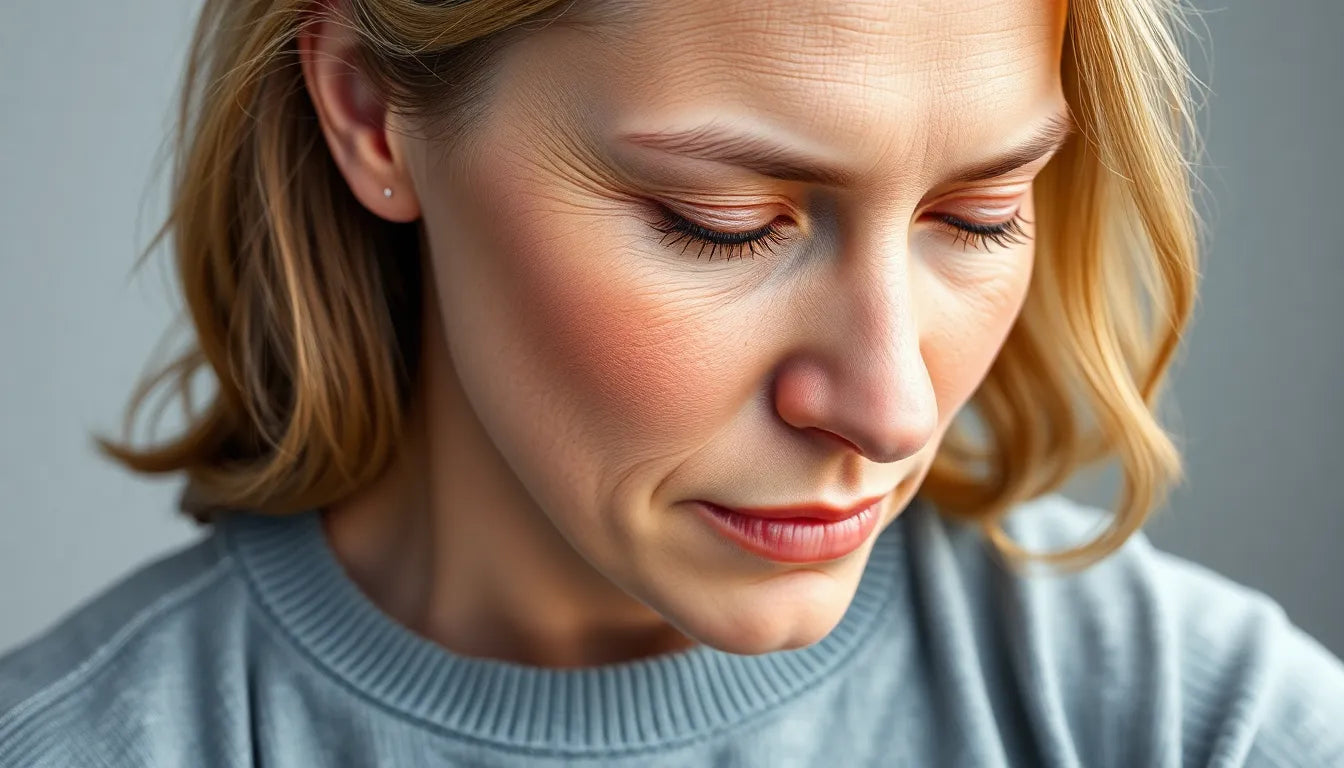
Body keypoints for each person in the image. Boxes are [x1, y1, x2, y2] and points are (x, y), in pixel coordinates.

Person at [2, 0, 1342, 764]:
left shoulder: (1194, 722)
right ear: (369, 113)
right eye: (725, 220)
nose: (891, 407)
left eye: (980, 215)